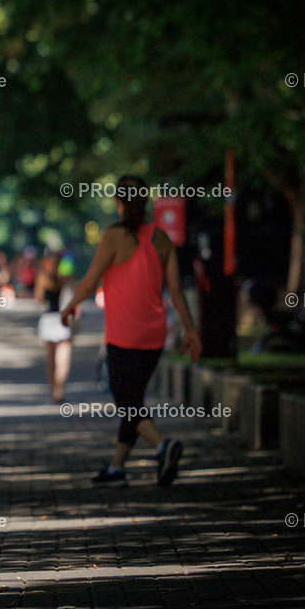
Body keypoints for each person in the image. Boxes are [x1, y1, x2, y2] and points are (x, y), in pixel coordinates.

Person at [61, 175, 201, 487]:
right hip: (154, 335)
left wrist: (69, 306)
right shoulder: (163, 239)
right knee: (133, 399)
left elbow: (90, 281)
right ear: (147, 202)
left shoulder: (113, 235)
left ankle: (161, 445)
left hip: (123, 334)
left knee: (125, 399)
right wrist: (191, 330)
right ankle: (116, 468)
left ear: (119, 202)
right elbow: (176, 292)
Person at [35, 249, 75, 404]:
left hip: (48, 319)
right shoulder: (66, 278)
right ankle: (59, 389)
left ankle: (53, 388)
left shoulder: (43, 278)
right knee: (64, 357)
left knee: (51, 358)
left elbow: (39, 299)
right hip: (63, 319)